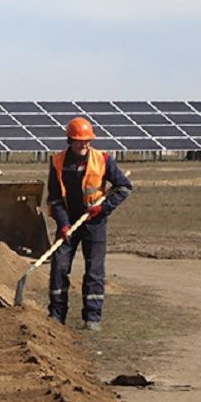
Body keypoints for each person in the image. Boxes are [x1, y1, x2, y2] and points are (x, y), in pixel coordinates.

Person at [47, 116, 132, 331]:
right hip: (68, 222)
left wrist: (102, 208)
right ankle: (56, 315)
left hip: (95, 223)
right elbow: (54, 199)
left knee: (94, 270)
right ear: (70, 140)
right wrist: (63, 223)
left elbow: (124, 187)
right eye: (79, 141)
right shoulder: (57, 162)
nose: (84, 145)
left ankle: (92, 318)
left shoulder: (102, 159)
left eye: (87, 140)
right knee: (59, 267)